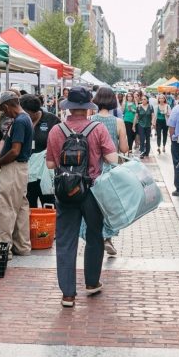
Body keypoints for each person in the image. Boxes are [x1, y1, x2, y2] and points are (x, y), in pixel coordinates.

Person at [46, 87, 119, 307]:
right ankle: (91, 283)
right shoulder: (97, 128)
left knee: (66, 241)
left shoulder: (56, 130)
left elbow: (50, 164)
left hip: (65, 192)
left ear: (68, 107)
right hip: (92, 191)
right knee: (95, 236)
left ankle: (68, 294)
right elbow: (113, 159)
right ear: (88, 107)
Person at [79, 87, 129, 255]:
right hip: (111, 170)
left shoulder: (89, 120)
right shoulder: (118, 122)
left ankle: (94, 237)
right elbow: (124, 148)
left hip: (92, 168)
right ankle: (107, 238)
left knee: (93, 205)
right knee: (108, 207)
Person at [0, 91, 34, 259]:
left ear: (7, 106)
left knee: (6, 207)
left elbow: (15, 151)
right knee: (21, 207)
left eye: (3, 110)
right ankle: (22, 246)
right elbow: (7, 144)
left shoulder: (20, 121)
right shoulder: (23, 119)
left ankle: (3, 249)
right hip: (20, 168)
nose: (4, 113)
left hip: (14, 168)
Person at [20, 94, 60, 208]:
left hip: (45, 172)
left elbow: (62, 139)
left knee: (48, 202)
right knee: (28, 204)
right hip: (26, 170)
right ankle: (30, 226)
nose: (25, 116)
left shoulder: (51, 119)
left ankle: (48, 225)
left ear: (36, 111)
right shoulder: (20, 120)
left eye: (28, 113)